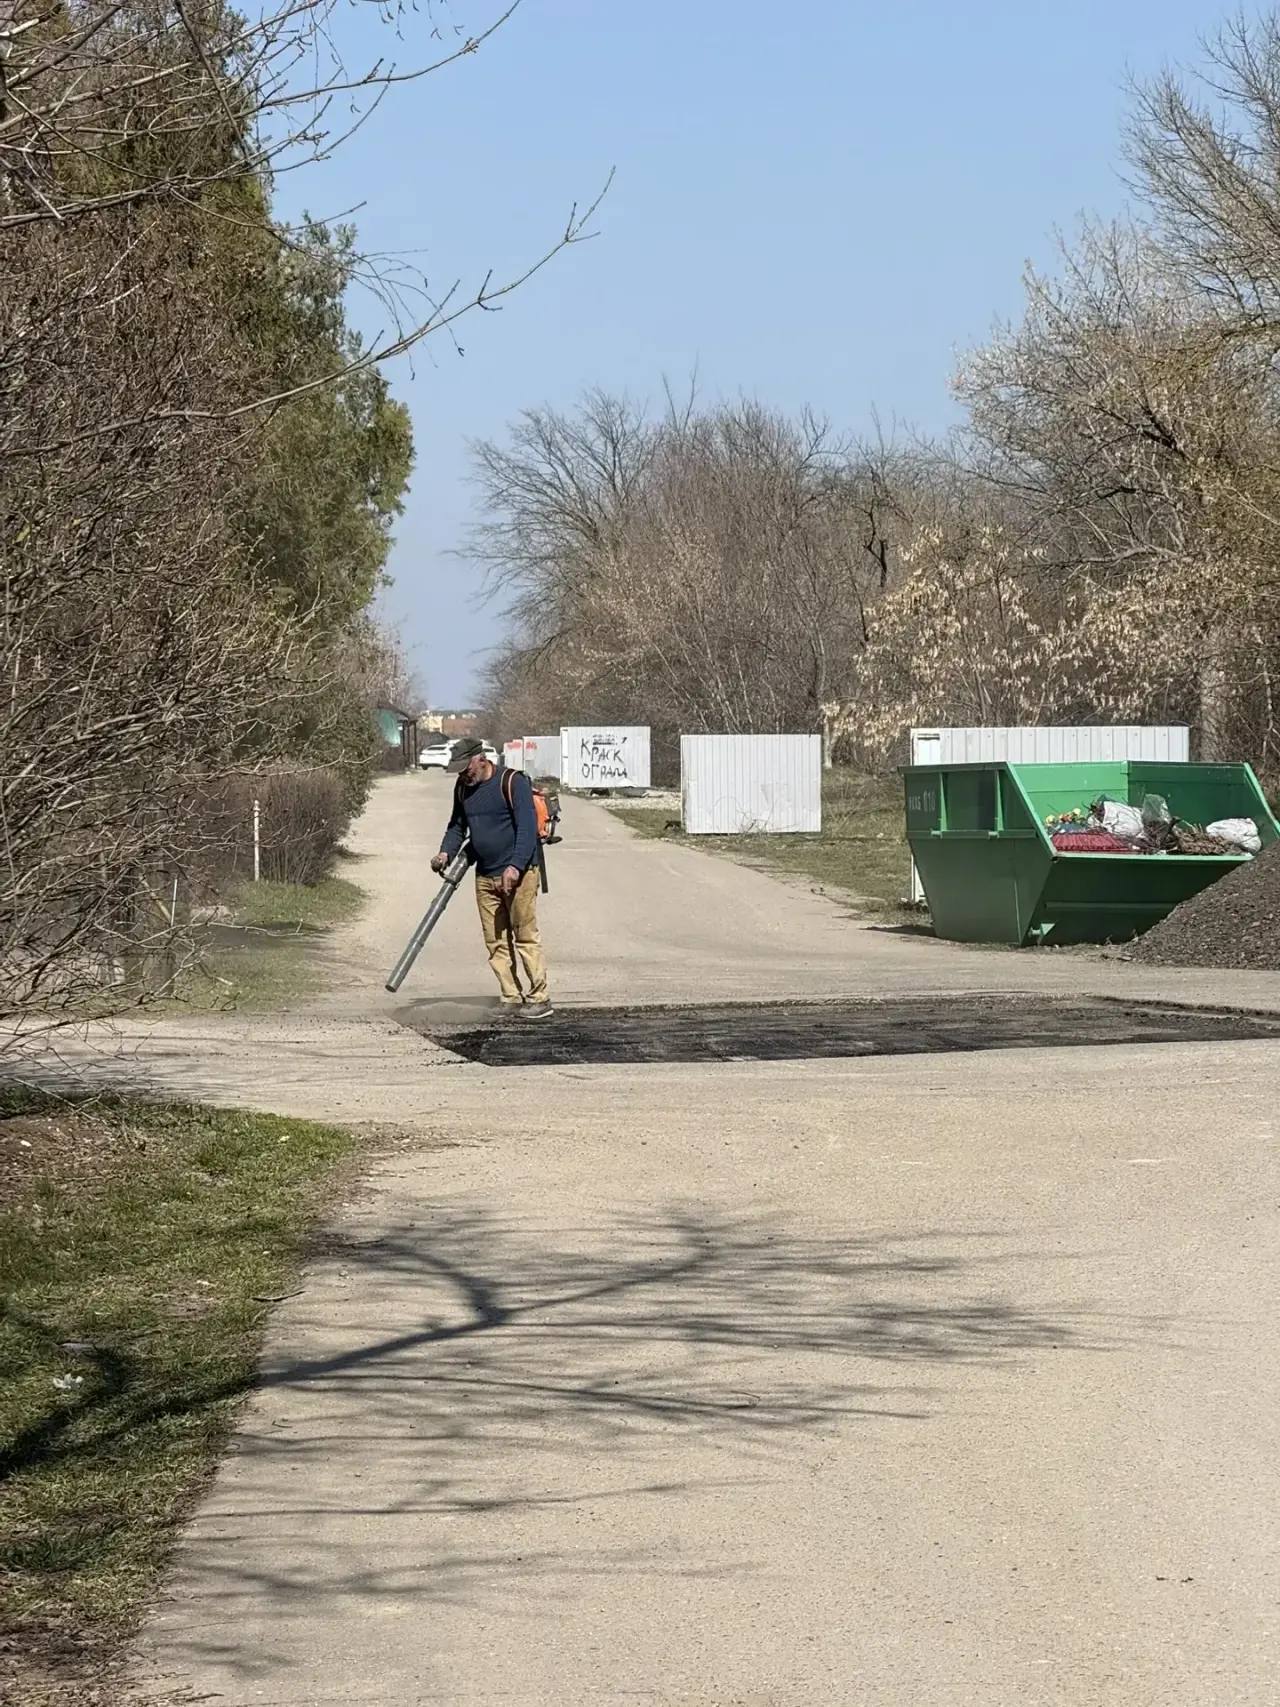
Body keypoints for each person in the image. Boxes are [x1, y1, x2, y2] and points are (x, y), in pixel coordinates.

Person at [432, 738, 553, 1017]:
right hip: (485, 874)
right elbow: (457, 827)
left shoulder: (512, 783)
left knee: (524, 935)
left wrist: (515, 866)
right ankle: (510, 996)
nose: (464, 774)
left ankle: (540, 997)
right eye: (460, 770)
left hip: (519, 873)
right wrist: (444, 853)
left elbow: (526, 830)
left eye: (466, 768)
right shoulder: (463, 788)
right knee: (495, 940)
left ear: (481, 759)